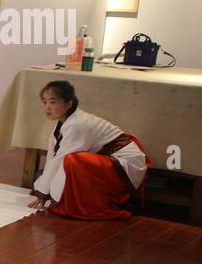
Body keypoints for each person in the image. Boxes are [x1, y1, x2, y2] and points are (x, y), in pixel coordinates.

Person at [30, 80, 148, 220]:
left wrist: (44, 193)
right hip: (108, 160)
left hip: (125, 165)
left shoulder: (77, 124)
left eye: (53, 102)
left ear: (68, 104)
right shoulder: (66, 122)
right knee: (70, 161)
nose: (47, 108)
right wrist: (43, 189)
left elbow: (61, 158)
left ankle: (87, 205)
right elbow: (53, 155)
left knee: (73, 161)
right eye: (44, 102)